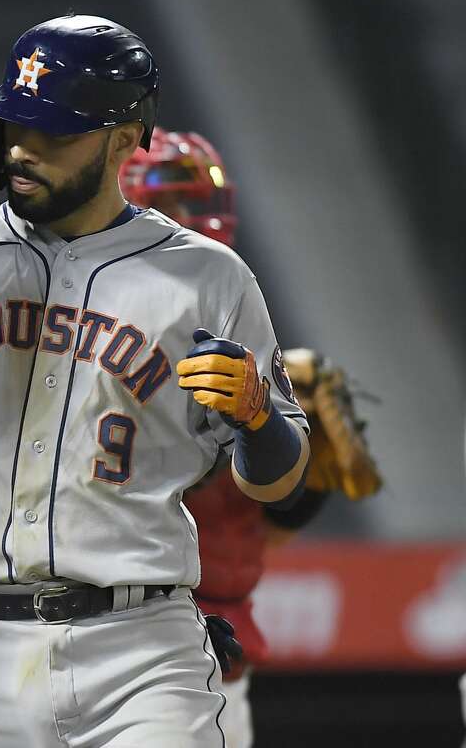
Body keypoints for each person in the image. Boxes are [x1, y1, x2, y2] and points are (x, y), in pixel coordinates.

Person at [0, 14, 311, 747]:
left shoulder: (206, 272)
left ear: (122, 139)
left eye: (54, 132)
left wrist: (261, 422)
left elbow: (282, 483)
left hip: (144, 644)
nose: (22, 147)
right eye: (15, 125)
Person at [121, 127, 384, 748]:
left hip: (218, 644)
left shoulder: (238, 310)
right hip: (125, 637)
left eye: (197, 202)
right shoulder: (96, 318)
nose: (194, 219)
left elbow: (262, 526)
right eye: (174, 203)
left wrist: (298, 454)